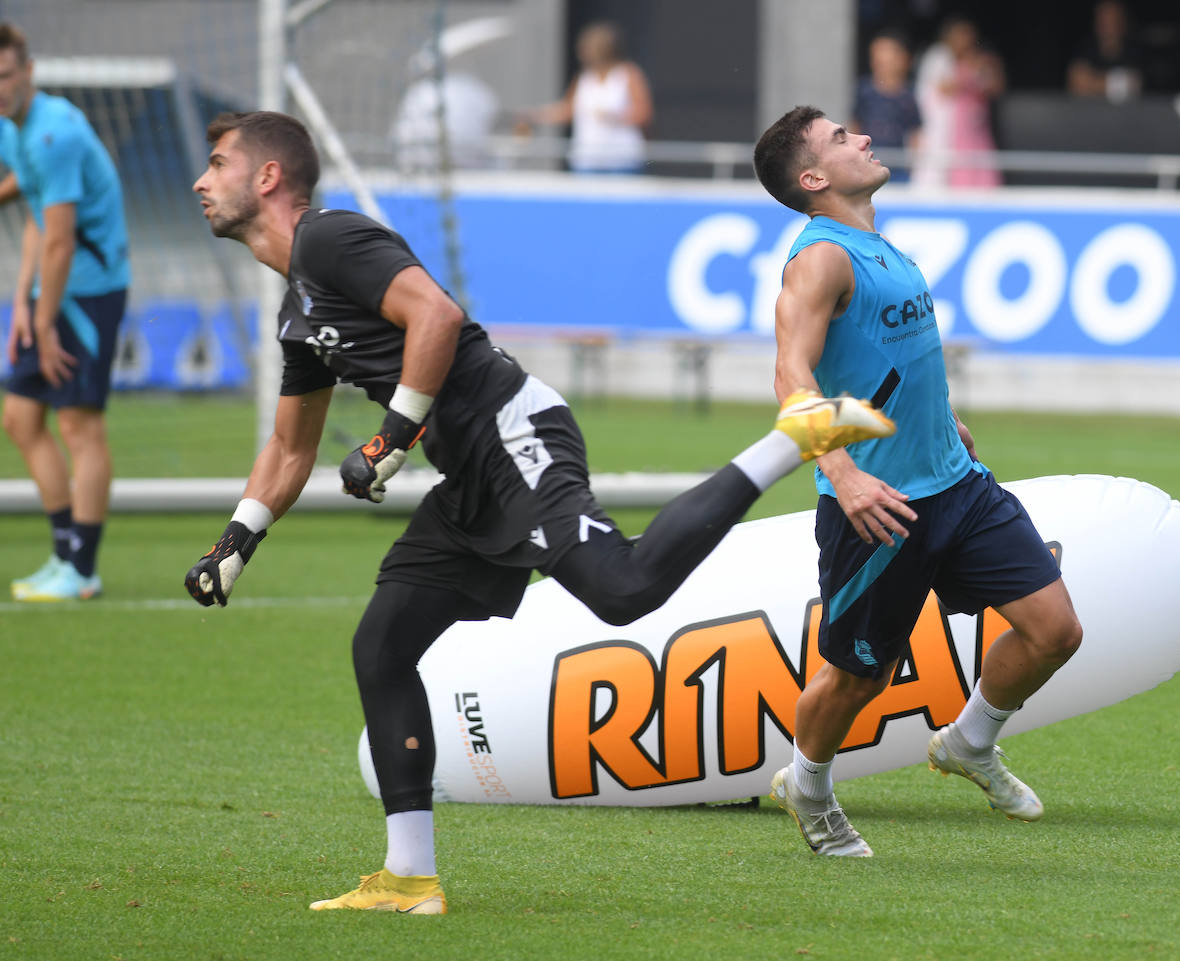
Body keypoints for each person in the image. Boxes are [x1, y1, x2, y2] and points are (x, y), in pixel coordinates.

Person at [185, 110, 894, 911]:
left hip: (513, 427)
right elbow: (288, 449)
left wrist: (389, 440)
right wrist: (234, 542)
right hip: (470, 473)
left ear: (268, 177)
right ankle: (409, 878)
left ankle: (791, 438)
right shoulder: (296, 315)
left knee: (622, 590)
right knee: (382, 646)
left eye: (218, 162)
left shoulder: (328, 238)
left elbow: (438, 316)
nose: (202, 181)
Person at [752, 106, 1082, 857]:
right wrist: (838, 468)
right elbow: (790, 373)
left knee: (1055, 629)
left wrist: (943, 415)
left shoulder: (879, 245)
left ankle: (968, 742)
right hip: (879, 507)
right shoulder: (819, 260)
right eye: (841, 138)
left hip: (957, 482)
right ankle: (808, 784)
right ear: (813, 179)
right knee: (858, 679)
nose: (862, 137)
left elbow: (885, 357)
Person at [0, 22, 129, 602]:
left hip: (90, 294)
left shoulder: (55, 133)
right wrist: (24, 304)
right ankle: (62, 555)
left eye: (5, 76)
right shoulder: (12, 129)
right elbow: (36, 217)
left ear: (27, 73)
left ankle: (83, 568)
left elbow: (61, 240)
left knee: (79, 425)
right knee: (21, 420)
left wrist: (45, 319)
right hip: (54, 291)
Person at [521, 21, 653, 173]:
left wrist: (615, 117)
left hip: (621, 159)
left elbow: (644, 113)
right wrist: (535, 116)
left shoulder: (628, 74)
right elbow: (567, 110)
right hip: (587, 159)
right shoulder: (584, 78)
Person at [914, 16, 1004, 189]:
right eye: (960, 35)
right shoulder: (939, 57)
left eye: (968, 35)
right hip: (949, 128)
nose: (964, 40)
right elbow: (943, 89)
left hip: (976, 128)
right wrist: (969, 75)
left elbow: (995, 88)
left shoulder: (983, 59)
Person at [850, 29, 923, 183]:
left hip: (898, 167)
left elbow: (915, 132)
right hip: (868, 164)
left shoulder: (908, 96)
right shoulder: (864, 91)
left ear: (903, 60)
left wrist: (914, 164)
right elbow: (855, 125)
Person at [1066, 0, 1144, 102]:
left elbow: (1135, 85)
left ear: (1122, 21)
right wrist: (1117, 85)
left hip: (1126, 115)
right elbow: (1076, 83)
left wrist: (1092, 83)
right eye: (1103, 18)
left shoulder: (1135, 51)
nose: (1107, 24)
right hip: (1089, 113)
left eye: (1113, 18)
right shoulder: (1084, 49)